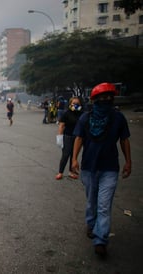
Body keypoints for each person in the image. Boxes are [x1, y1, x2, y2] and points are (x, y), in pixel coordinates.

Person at [72, 82, 131, 258]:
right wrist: (74, 159)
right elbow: (79, 138)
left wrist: (128, 161)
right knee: (92, 201)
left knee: (104, 206)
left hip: (110, 168)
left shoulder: (118, 118)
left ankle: (100, 240)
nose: (106, 100)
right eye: (102, 98)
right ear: (95, 100)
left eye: (109, 98)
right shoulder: (85, 118)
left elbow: (124, 140)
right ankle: (91, 224)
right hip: (89, 167)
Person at [55, 97, 83, 180]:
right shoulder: (66, 113)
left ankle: (71, 171)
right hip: (67, 136)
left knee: (74, 155)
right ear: (70, 104)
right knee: (66, 154)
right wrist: (59, 138)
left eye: (77, 104)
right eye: (73, 104)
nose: (75, 105)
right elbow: (61, 125)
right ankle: (60, 172)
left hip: (77, 137)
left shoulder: (81, 114)